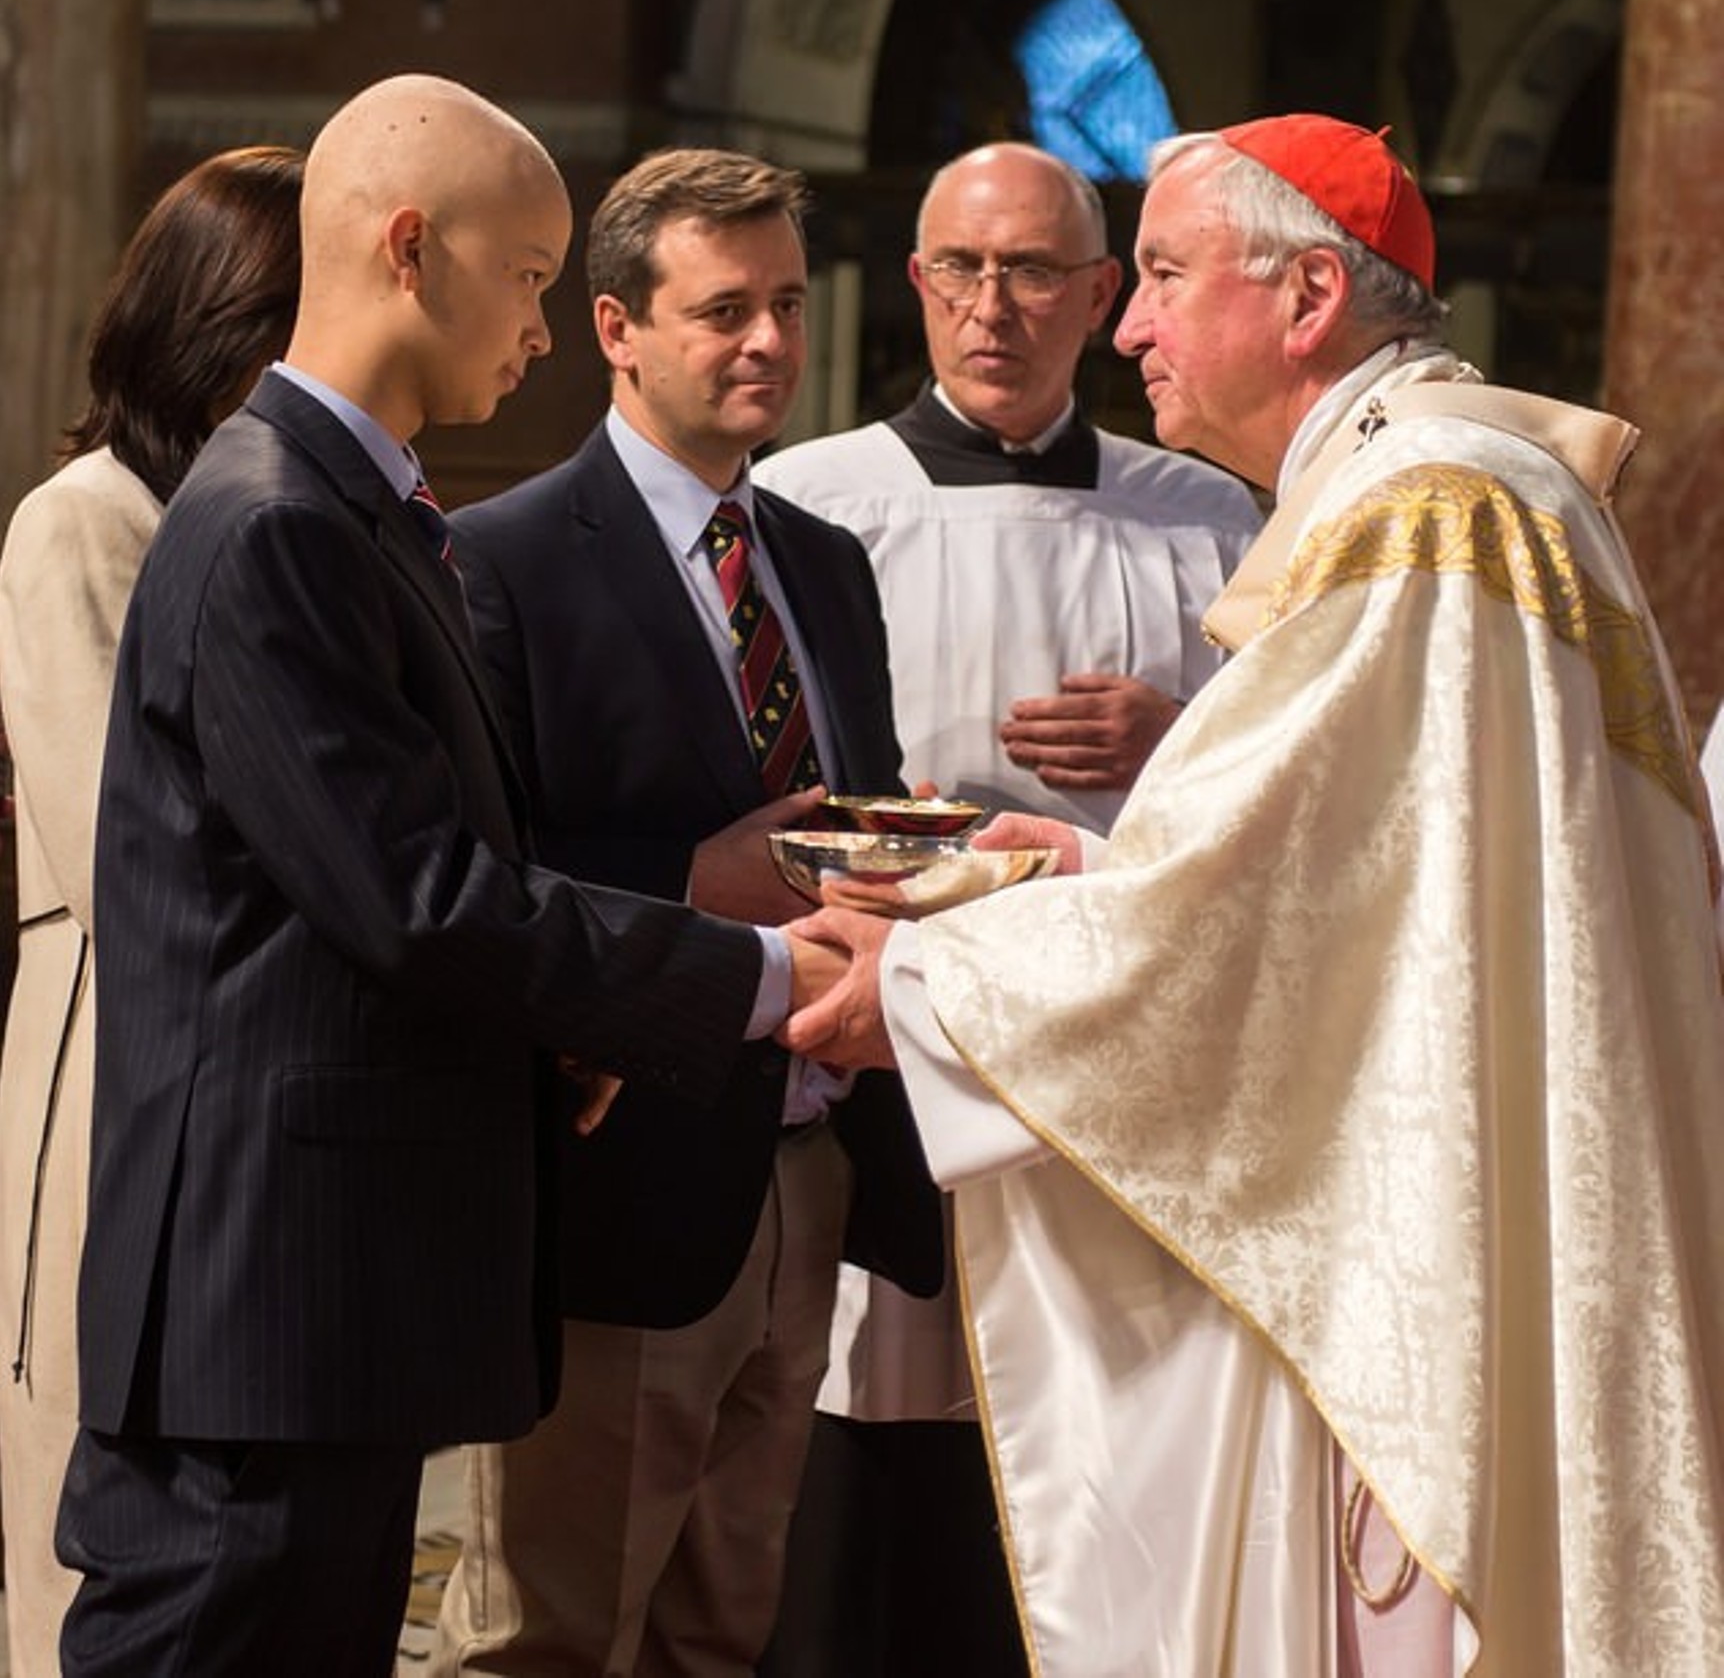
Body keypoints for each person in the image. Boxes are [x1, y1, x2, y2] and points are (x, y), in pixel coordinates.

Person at [784, 114, 1724, 1673]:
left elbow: (1244, 935)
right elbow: (1345, 898)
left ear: (1303, 301)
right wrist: (1085, 867)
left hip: (1412, 1257)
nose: (1130, 324)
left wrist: (925, 983)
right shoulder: (1453, 487)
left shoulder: (1425, 514)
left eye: (1157, 273)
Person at [53, 76, 838, 1678]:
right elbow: (417, 900)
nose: (549, 332)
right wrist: (760, 977)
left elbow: (388, 898)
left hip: (335, 1305)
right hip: (256, 1319)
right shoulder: (277, 522)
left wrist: (563, 1025)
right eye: (536, 277)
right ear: (413, 250)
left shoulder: (372, 515)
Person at [427, 148, 942, 1678]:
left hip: (808, 1165)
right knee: (549, 1637)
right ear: (615, 326)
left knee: (721, 1633)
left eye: (786, 303)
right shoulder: (500, 559)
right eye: (724, 309)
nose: (770, 342)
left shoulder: (826, 565)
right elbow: (468, 876)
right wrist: (689, 883)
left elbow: (863, 800)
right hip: (624, 1175)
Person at [754, 141, 1260, 1675]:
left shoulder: (1214, 519)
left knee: (1077, 1472)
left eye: (1037, 270)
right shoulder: (805, 498)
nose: (995, 306)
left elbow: (1291, 806)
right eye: (961, 268)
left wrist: (1176, 736)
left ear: (1104, 295)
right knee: (858, 1471)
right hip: (878, 1036)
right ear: (914, 281)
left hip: (1110, 1064)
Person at [0, 145, 304, 1678]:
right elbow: (120, 838)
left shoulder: (267, 513)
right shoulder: (85, 520)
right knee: (91, 1530)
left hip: (228, 1082)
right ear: (213, 322)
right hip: (116, 1056)